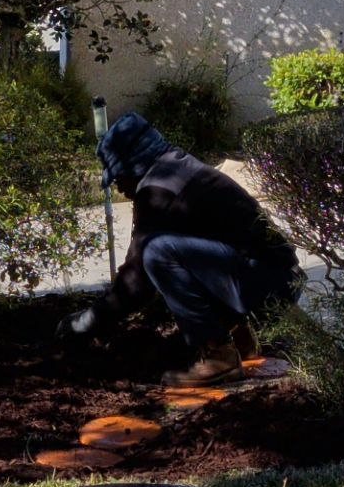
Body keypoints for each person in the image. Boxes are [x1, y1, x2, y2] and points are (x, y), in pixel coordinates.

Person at [60, 112, 302, 386]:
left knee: (158, 253)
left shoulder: (159, 190)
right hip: (278, 279)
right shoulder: (176, 169)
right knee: (181, 257)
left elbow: (136, 281)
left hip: (269, 286)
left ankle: (219, 358)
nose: (118, 186)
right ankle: (243, 343)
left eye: (117, 176)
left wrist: (88, 321)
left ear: (133, 164)